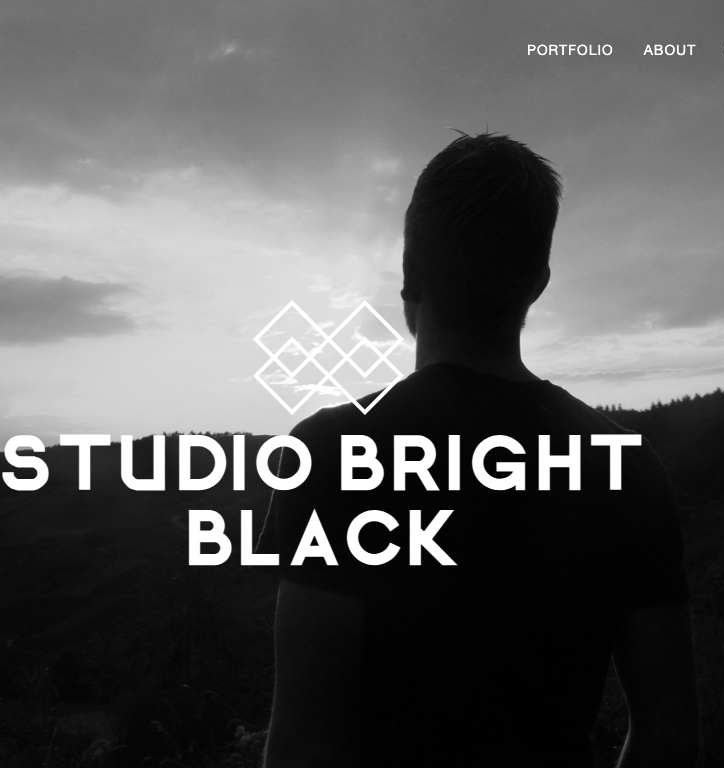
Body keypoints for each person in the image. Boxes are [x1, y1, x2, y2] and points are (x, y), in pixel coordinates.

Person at [255, 132, 700, 767]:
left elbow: (303, 745)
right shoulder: (624, 465)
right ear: (539, 282)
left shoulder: (332, 454)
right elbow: (670, 740)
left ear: (409, 276)